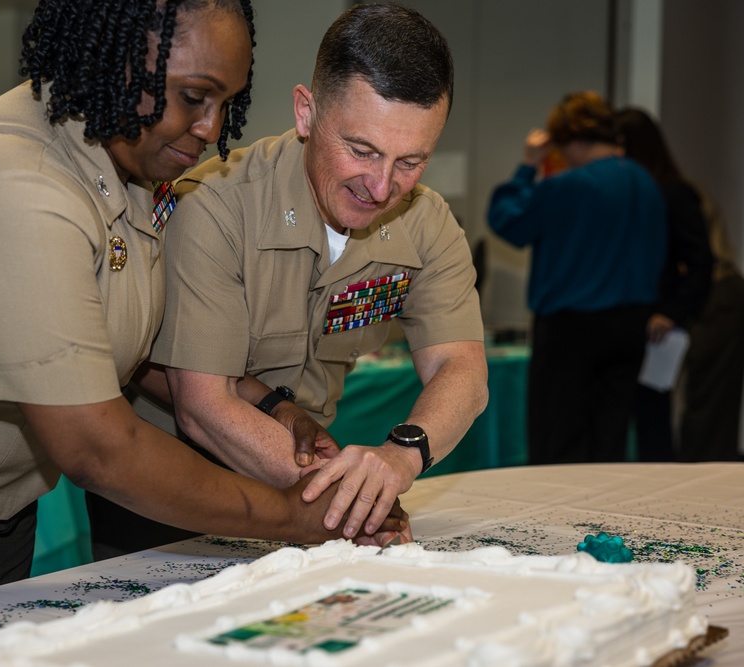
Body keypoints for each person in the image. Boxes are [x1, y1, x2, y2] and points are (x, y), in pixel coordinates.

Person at [0, 0, 407, 636]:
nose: (210, 127)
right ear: (118, 60)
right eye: (194, 97)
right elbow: (98, 445)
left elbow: (119, 341)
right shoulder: (17, 185)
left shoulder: (128, 154)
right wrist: (293, 516)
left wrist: (272, 406)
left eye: (227, 101)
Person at [86, 2, 488, 559]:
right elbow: (206, 404)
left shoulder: (428, 222)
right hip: (175, 480)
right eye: (361, 151)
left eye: (410, 161)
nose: (380, 186)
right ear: (306, 113)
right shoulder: (215, 206)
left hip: (305, 473)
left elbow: (461, 367)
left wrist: (401, 455)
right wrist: (351, 496)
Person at [487, 91, 666, 465]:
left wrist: (527, 165)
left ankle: (558, 522)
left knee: (559, 441)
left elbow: (508, 221)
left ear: (573, 140)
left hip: (572, 331)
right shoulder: (646, 183)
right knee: (610, 437)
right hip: (631, 326)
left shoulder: (568, 186)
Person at [614, 107, 713, 462]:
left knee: (652, 420)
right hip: (627, 319)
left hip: (658, 328)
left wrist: (671, 312)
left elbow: (701, 262)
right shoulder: (626, 192)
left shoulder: (673, 193)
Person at [679, 189, 744, 461]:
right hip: (713, 292)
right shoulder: (687, 193)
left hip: (715, 293)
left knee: (710, 405)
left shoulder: (680, 196)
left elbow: (700, 260)